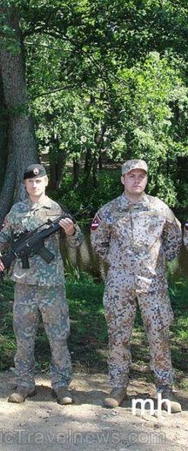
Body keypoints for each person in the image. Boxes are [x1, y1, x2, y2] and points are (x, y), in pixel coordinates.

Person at [91, 159, 182, 412]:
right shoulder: (109, 211)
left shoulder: (160, 209)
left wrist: (158, 262)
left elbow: (173, 239)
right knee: (118, 336)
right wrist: (120, 265)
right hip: (120, 286)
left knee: (159, 336)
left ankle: (165, 390)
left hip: (153, 286)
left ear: (146, 179)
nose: (137, 180)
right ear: (123, 179)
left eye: (141, 175)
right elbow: (99, 243)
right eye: (132, 176)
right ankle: (118, 387)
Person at [0, 164, 84, 404]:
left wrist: (71, 232)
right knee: (23, 337)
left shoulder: (57, 210)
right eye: (30, 182)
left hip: (52, 285)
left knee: (59, 336)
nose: (34, 184)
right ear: (25, 185)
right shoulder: (17, 210)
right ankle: (24, 384)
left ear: (46, 182)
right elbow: (3, 236)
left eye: (38, 180)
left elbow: (77, 243)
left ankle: (61, 386)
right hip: (24, 285)